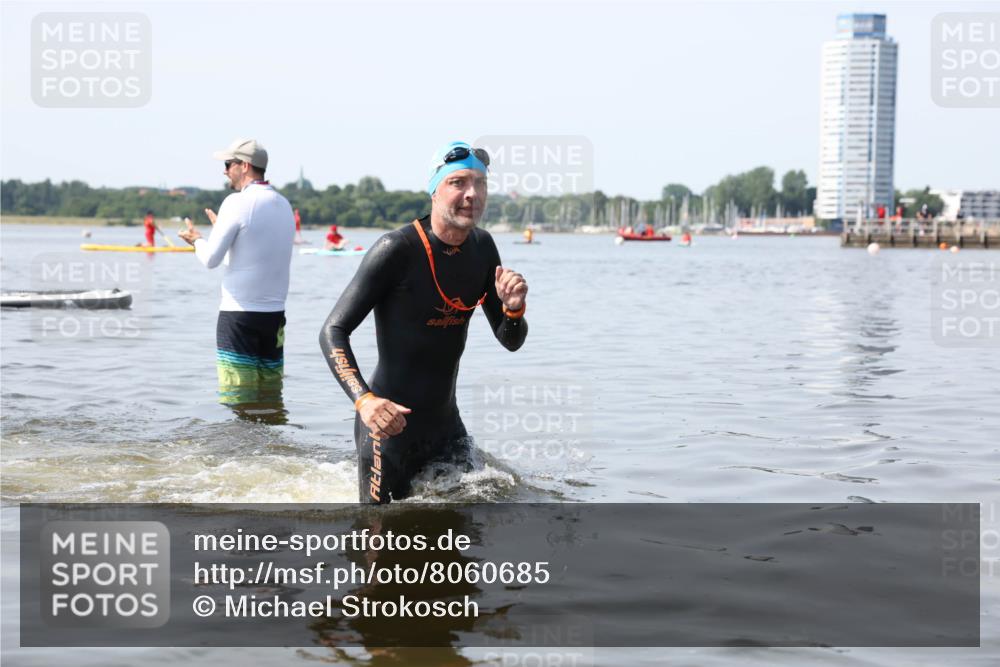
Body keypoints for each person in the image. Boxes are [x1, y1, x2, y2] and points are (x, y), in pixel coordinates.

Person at [319, 141, 528, 504]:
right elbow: (333, 331)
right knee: (379, 540)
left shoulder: (483, 248)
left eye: (480, 184)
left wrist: (513, 310)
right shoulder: (396, 249)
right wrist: (365, 401)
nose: (471, 194)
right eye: (458, 182)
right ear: (434, 190)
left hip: (447, 428)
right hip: (388, 427)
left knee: (476, 530)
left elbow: (510, 340)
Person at [178, 138, 295, 414]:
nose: (225, 171)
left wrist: (196, 239)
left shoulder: (236, 202)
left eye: (228, 164)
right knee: (269, 401)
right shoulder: (284, 204)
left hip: (239, 316)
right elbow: (251, 256)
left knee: (239, 402)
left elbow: (210, 260)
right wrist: (224, 233)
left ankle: (243, 456)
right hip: (274, 317)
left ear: (244, 166)